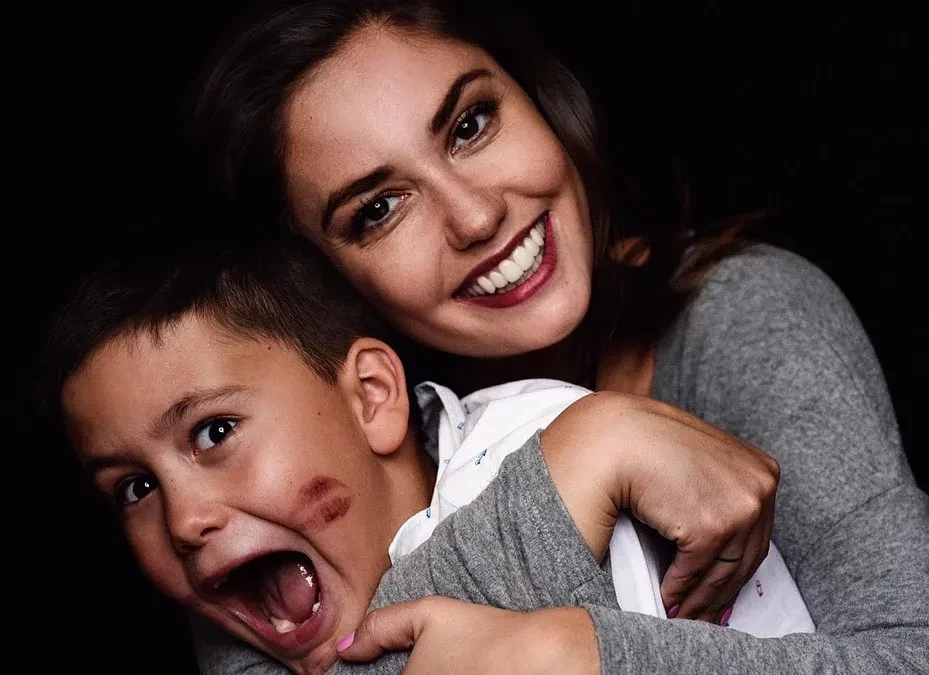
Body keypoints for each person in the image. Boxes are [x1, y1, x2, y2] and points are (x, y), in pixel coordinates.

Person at [188, 1, 929, 671]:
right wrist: (587, 454)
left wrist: (577, 654)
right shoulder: (276, 476)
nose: (476, 217)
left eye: (470, 126)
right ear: (319, 281)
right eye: (379, 208)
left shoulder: (742, 315)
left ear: (538, 99)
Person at [43, 236, 806, 675]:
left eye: (214, 432)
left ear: (372, 396)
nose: (184, 520)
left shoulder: (546, 442)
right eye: (134, 486)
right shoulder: (235, 613)